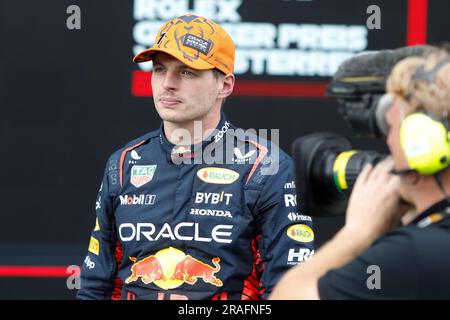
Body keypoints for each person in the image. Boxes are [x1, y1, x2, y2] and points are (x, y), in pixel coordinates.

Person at [77, 14, 314, 300]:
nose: (168, 83)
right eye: (160, 69)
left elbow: (290, 288)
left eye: (187, 71)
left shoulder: (265, 167)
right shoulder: (124, 163)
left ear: (224, 85)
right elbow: (95, 286)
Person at [270, 50, 450, 299]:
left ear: (423, 143)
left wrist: (359, 232)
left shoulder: (414, 252)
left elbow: (287, 296)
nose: (388, 141)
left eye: (393, 129)